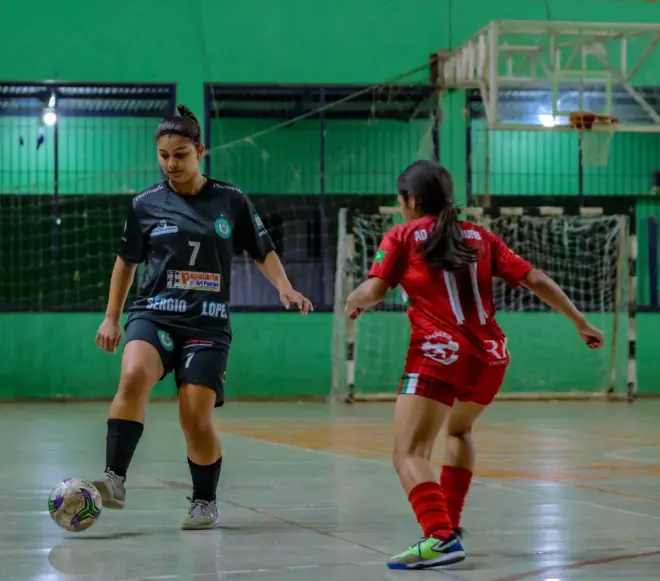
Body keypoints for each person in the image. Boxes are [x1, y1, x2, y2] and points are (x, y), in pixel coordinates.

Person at [344, 160, 603, 570]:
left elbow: (375, 289)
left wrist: (353, 299)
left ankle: (439, 537)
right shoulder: (480, 236)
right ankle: (450, 523)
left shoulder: (402, 235)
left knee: (408, 453)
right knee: (459, 430)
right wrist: (580, 322)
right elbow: (535, 279)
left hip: (438, 353)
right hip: (490, 356)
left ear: (410, 200)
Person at [94, 104, 313, 530]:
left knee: (194, 418)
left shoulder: (230, 199)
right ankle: (114, 478)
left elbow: (262, 250)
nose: (171, 164)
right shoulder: (145, 204)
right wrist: (111, 318)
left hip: (208, 324)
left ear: (200, 151)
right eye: (163, 155)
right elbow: (126, 262)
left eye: (180, 154)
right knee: (133, 374)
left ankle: (204, 501)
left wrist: (284, 287)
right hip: (154, 314)